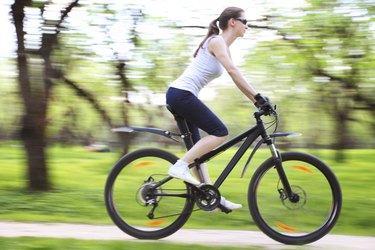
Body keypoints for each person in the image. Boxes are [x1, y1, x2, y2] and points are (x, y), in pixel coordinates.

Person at [166, 7, 259, 210]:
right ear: (233, 22)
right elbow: (233, 71)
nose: (247, 26)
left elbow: (236, 77)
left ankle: (210, 196)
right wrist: (257, 98)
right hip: (181, 95)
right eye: (245, 21)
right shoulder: (217, 41)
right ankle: (180, 166)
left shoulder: (221, 46)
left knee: (198, 153)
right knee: (220, 132)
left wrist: (254, 99)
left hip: (180, 95)